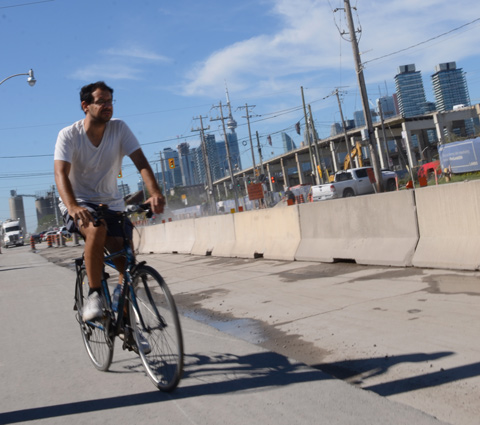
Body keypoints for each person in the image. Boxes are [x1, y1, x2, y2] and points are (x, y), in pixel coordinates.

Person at [54, 81, 165, 324]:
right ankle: (94, 295)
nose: (108, 106)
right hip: (79, 202)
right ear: (85, 106)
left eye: (110, 101)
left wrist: (155, 192)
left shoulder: (119, 128)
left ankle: (125, 325)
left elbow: (141, 163)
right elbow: (60, 173)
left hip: (112, 204)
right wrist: (73, 207)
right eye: (101, 101)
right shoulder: (69, 135)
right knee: (97, 229)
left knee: (127, 264)